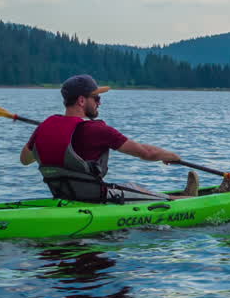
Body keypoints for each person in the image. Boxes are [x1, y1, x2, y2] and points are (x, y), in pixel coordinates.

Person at [20, 74, 200, 202]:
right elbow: (146, 153)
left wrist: (52, 136)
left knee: (132, 187)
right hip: (96, 198)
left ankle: (185, 195)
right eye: (96, 98)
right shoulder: (97, 129)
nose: (99, 102)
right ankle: (187, 201)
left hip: (64, 195)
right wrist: (172, 156)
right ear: (82, 101)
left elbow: (25, 159)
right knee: (152, 197)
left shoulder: (45, 127)